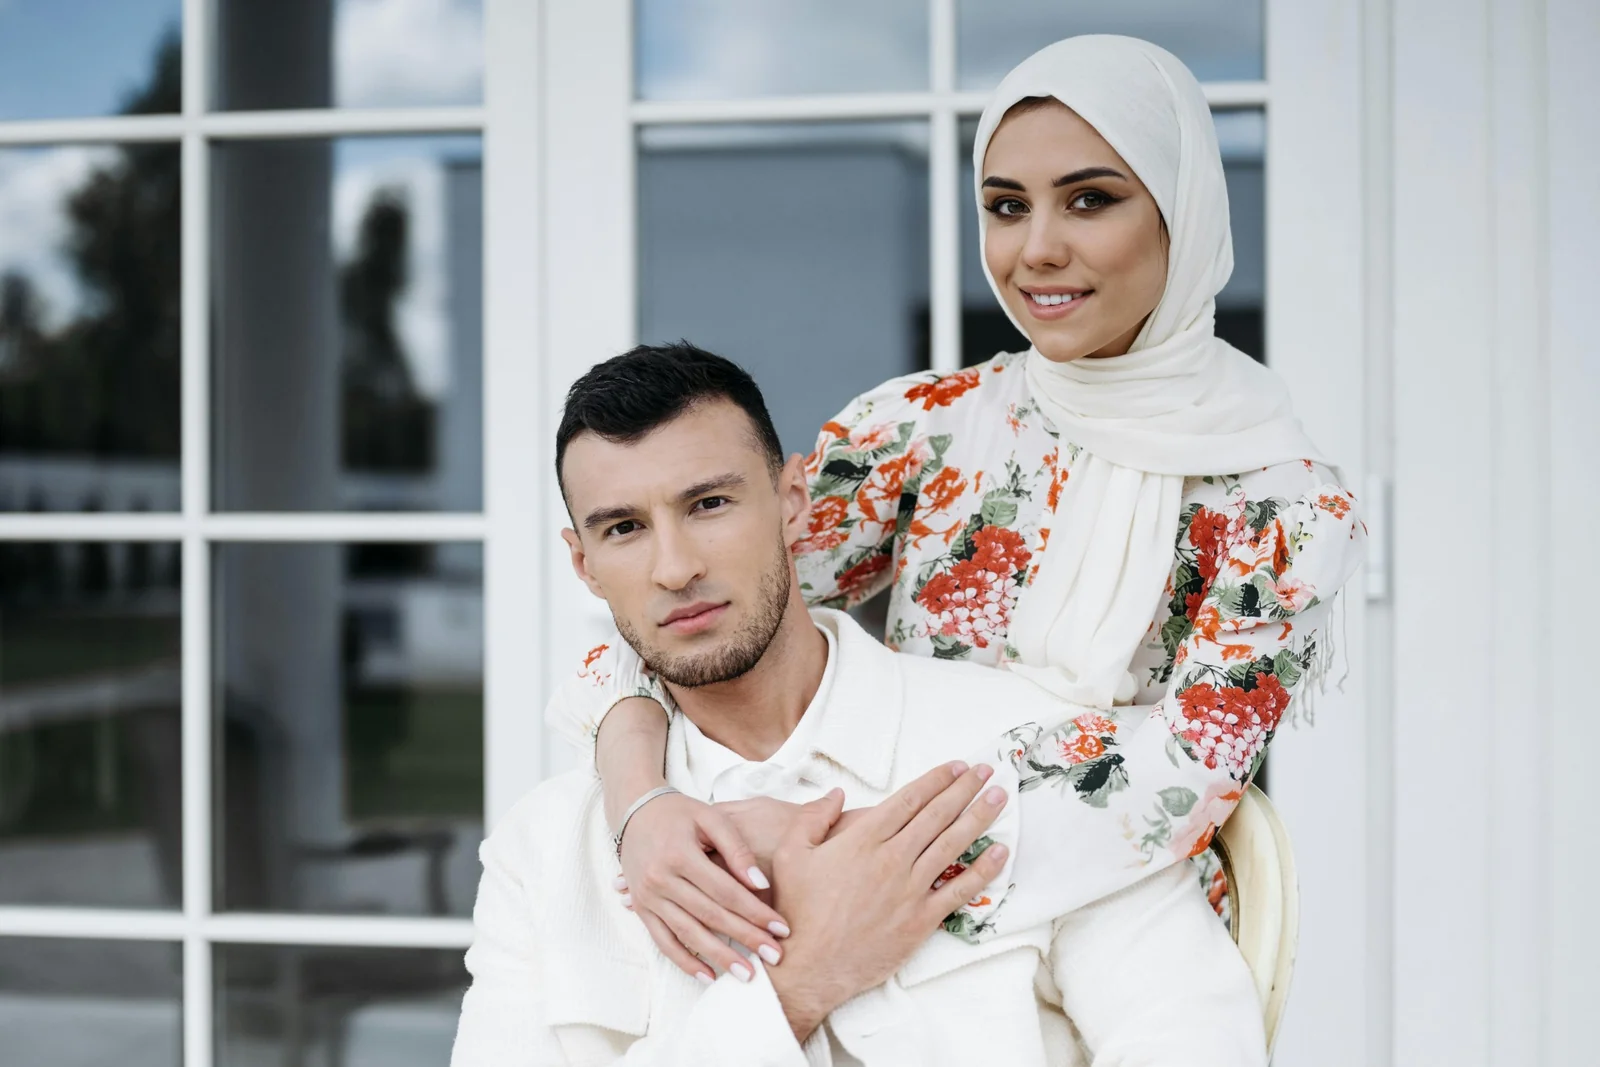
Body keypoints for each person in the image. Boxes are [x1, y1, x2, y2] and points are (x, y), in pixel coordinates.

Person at [550, 35, 1366, 982]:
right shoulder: (929, 428)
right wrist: (640, 806)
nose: (1037, 249)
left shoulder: (1288, 506)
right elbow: (685, 614)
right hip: (857, 899)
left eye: (1091, 199)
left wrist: (855, 868)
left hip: (1106, 922)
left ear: (1181, 212)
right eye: (1006, 207)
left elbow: (1173, 788)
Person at [450, 345, 1267, 1066]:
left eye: (709, 504)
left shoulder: (1033, 753)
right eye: (624, 527)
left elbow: (1190, 1041)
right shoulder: (546, 848)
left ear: (796, 499)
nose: (674, 567)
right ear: (585, 563)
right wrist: (801, 982)